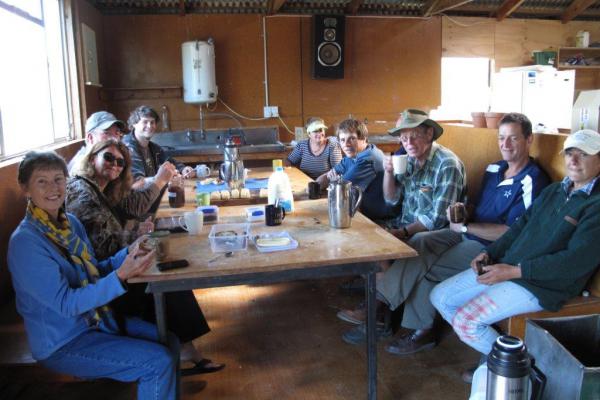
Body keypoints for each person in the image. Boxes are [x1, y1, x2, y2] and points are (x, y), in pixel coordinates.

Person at [338, 113, 550, 353]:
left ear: (529, 139)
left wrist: (466, 226)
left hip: (489, 247)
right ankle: (392, 314)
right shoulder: (496, 168)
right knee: (419, 243)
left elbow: (515, 233)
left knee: (421, 260)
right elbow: (476, 208)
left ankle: (385, 308)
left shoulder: (533, 180)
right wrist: (463, 211)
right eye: (502, 138)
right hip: (460, 231)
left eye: (513, 138)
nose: (506, 144)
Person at [8, 150, 177, 399]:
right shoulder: (26, 243)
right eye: (41, 181)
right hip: (63, 342)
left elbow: (94, 270)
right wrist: (120, 276)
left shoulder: (71, 224)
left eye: (58, 179)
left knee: (170, 341)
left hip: (98, 323)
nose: (53, 188)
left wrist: (129, 251)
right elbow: (67, 304)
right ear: (26, 188)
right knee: (157, 362)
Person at [430, 129, 600, 359]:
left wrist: (514, 271)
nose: (574, 160)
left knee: (466, 322)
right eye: (570, 153)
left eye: (584, 154)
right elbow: (520, 227)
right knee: (439, 296)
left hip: (544, 285)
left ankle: (520, 370)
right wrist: (489, 253)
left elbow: (574, 262)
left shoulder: (595, 205)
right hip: (510, 266)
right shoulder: (554, 191)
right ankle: (498, 357)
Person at [66, 139, 224, 376]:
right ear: (92, 157)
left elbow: (120, 223)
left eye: (120, 162)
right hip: (99, 276)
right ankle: (180, 349)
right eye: (108, 158)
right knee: (165, 272)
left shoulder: (103, 188)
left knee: (168, 262)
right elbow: (104, 245)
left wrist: (134, 232)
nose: (115, 166)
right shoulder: (81, 191)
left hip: (108, 264)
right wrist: (133, 235)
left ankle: (184, 346)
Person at [338, 109, 466, 344]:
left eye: (415, 136)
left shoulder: (447, 164)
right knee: (366, 234)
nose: (409, 143)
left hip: (442, 232)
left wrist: (403, 232)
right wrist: (388, 172)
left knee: (413, 243)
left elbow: (438, 218)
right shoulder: (408, 160)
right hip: (406, 224)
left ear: (429, 133)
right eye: (404, 138)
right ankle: (382, 313)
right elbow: (392, 199)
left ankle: (376, 307)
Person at [317, 118, 399, 220]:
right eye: (342, 140)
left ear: (364, 138)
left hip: (382, 221)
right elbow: (325, 179)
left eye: (352, 139)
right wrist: (314, 187)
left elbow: (341, 192)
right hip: (365, 214)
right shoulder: (353, 155)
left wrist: (335, 183)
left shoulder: (368, 159)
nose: (346, 144)